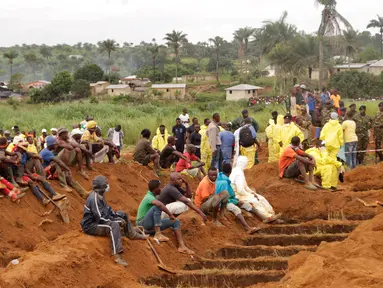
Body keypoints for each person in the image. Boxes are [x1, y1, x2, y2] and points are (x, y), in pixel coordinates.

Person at [81, 176, 147, 267]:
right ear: (102, 186)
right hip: (91, 225)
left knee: (122, 214)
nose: (108, 185)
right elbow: (100, 218)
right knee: (114, 225)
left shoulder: (101, 195)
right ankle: (116, 255)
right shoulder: (94, 199)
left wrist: (116, 215)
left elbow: (107, 209)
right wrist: (116, 221)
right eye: (106, 184)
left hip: (99, 221)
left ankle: (132, 234)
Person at [136, 180, 195, 254]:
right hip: (142, 224)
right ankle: (158, 234)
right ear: (155, 189)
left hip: (150, 227)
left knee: (175, 221)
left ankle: (182, 246)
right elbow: (160, 205)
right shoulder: (149, 197)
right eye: (159, 187)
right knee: (157, 207)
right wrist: (170, 214)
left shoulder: (155, 196)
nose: (161, 189)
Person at [230, 156, 282, 223]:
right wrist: (249, 195)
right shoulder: (238, 173)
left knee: (261, 198)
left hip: (242, 193)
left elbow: (245, 186)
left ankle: (272, 215)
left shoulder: (239, 171)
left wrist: (252, 192)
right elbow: (240, 190)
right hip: (237, 195)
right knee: (255, 201)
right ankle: (267, 217)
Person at [216, 163, 260, 234]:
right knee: (236, 209)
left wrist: (236, 200)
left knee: (247, 205)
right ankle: (247, 227)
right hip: (223, 203)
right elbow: (224, 197)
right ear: (230, 171)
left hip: (229, 200)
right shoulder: (224, 182)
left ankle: (264, 218)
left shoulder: (221, 177)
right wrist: (235, 202)